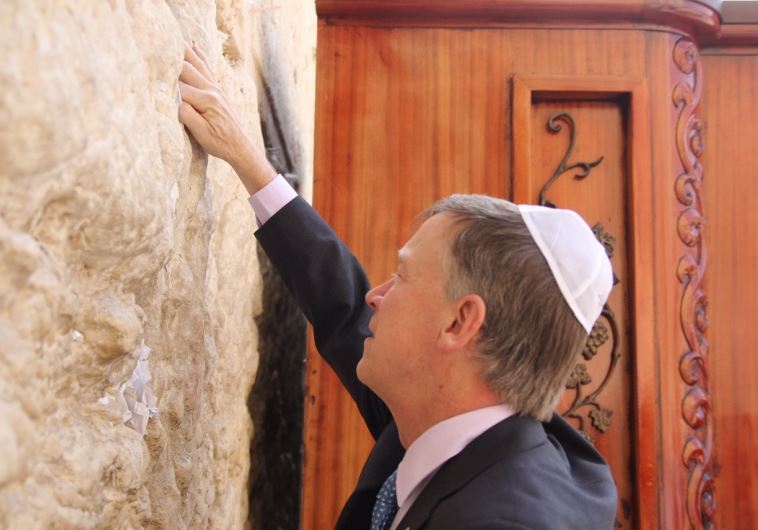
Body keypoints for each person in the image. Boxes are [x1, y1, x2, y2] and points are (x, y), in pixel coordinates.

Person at [178, 45, 618, 530]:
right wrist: (250, 163)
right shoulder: (457, 412)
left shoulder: (500, 519)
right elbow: (345, 308)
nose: (376, 296)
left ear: (459, 322)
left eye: (402, 276)